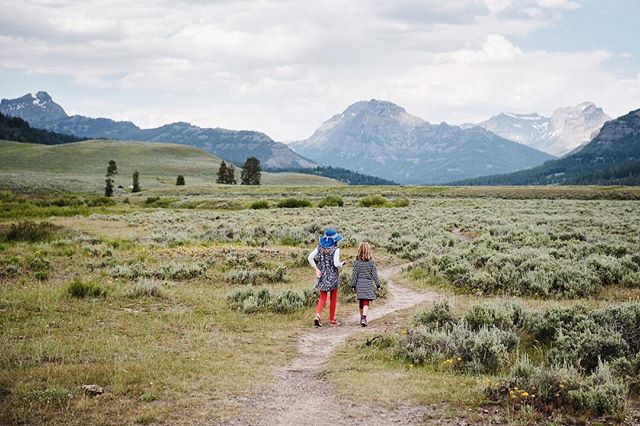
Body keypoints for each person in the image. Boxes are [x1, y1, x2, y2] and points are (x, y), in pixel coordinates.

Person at [308, 229, 346, 327]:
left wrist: (316, 269)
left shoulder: (319, 247)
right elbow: (336, 264)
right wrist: (342, 264)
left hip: (322, 275)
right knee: (333, 298)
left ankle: (318, 315)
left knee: (322, 297)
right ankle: (331, 320)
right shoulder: (335, 249)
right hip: (333, 275)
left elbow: (310, 258)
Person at [351, 242, 381, 327]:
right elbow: (375, 275)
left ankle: (362, 318)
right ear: (369, 251)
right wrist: (378, 285)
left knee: (361, 301)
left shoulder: (356, 262)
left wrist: (353, 285)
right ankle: (364, 317)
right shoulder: (371, 263)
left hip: (359, 284)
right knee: (366, 301)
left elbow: (354, 275)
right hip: (368, 284)